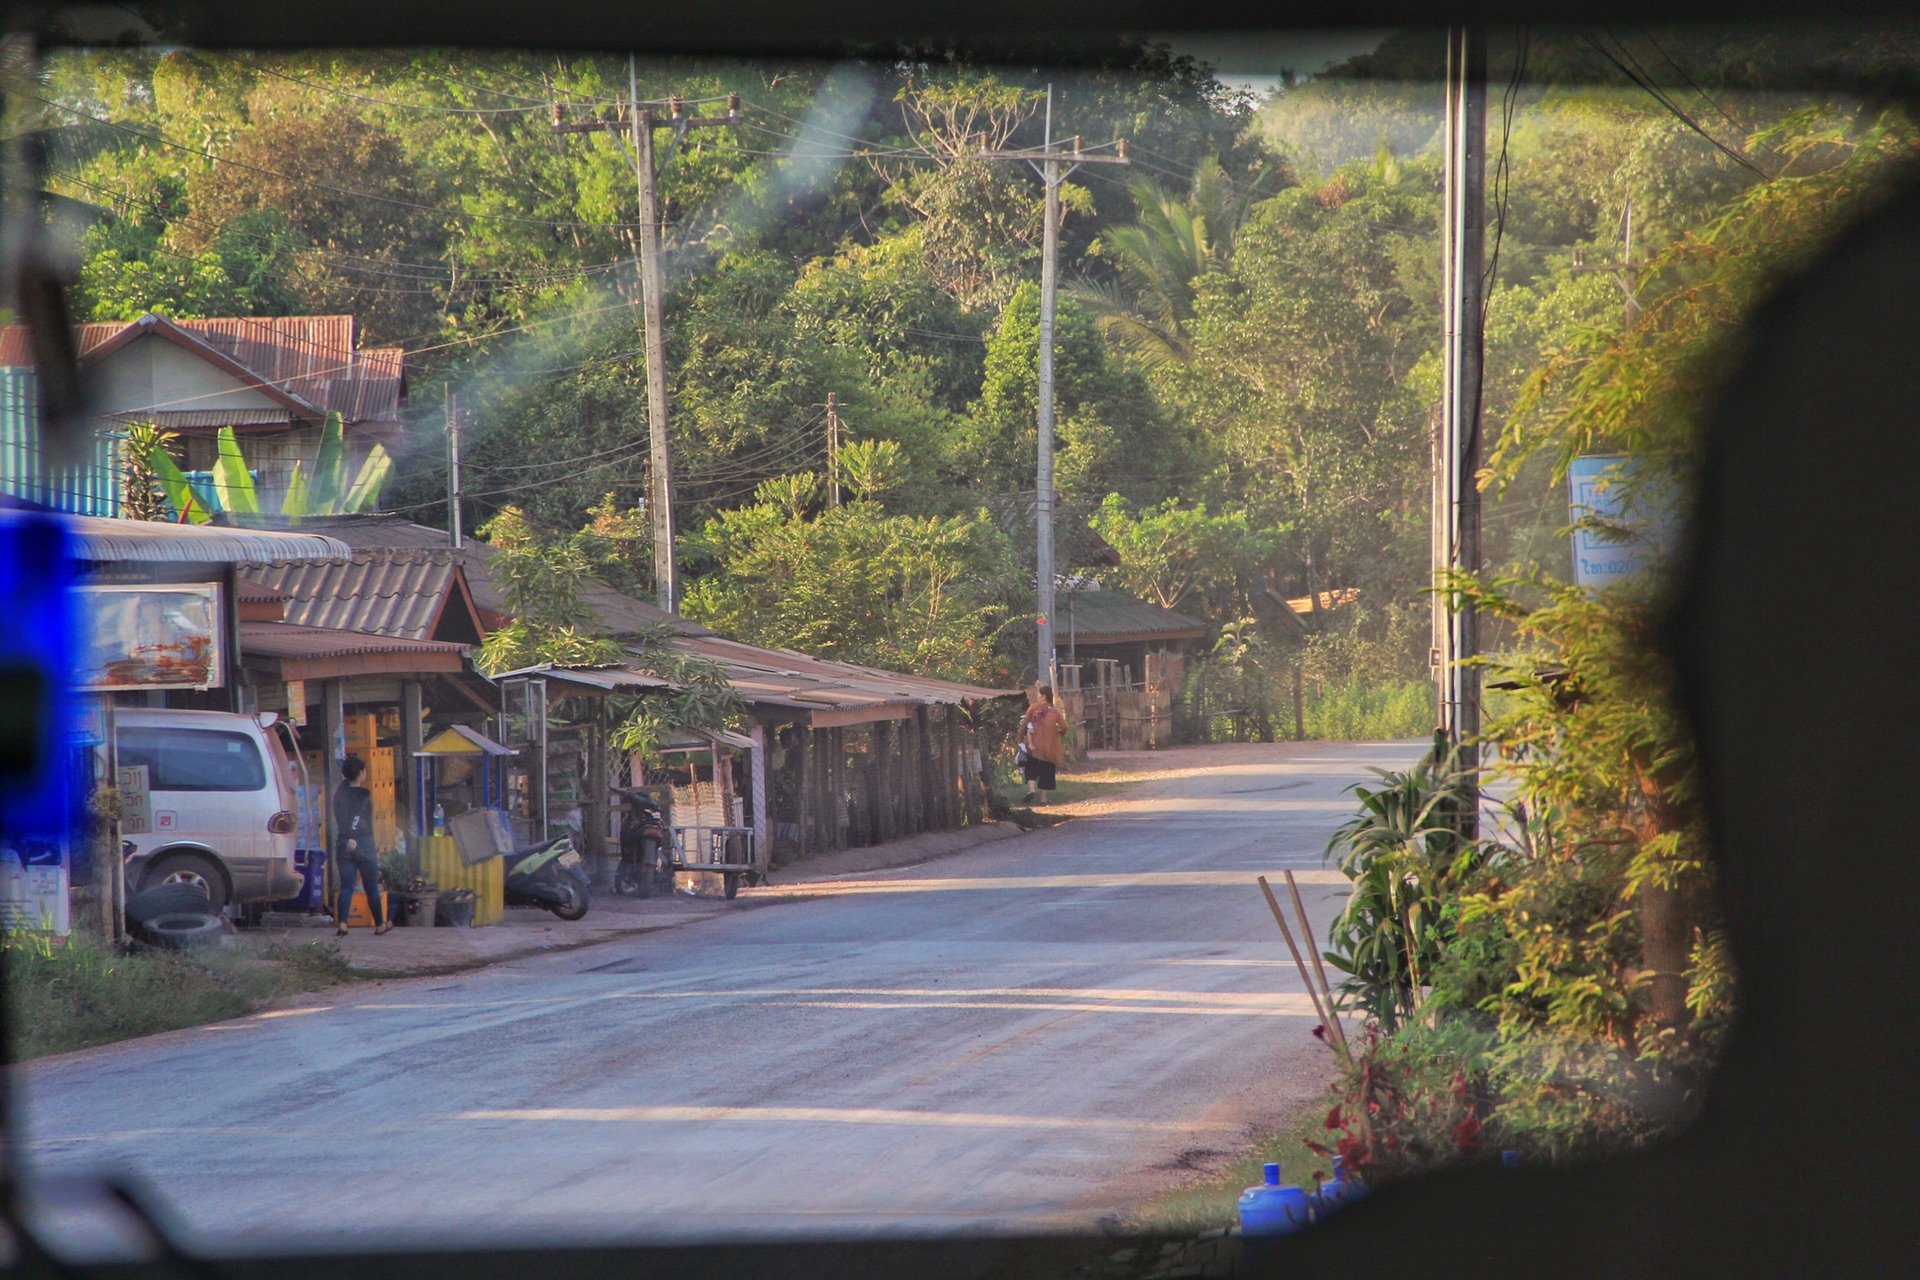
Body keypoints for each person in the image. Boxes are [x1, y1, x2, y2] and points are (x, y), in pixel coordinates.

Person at [331, 754, 389, 936]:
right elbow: (356, 816)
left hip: (342, 843)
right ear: (362, 773)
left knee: (346, 886)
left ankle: (343, 924)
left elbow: (341, 817)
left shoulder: (339, 794)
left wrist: (346, 837)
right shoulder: (363, 794)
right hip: (362, 843)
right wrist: (353, 837)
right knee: (371, 885)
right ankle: (380, 924)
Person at [1017, 684, 1069, 805]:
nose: (1038, 697)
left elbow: (1024, 725)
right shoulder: (1054, 712)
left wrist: (1020, 738)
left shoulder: (1033, 708)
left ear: (1044, 696)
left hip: (1033, 746)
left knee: (1031, 769)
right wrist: (1059, 733)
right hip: (1049, 747)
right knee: (1046, 771)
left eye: (1039, 695)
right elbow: (1065, 727)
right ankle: (1044, 799)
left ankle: (1031, 790)